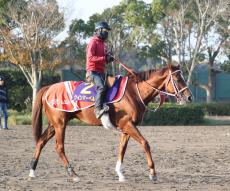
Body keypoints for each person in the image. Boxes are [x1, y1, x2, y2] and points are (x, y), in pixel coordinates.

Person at [86, 21, 115, 119]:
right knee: (102, 87)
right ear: (98, 30)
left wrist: (108, 59)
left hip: (101, 72)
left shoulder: (103, 44)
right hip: (92, 72)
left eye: (107, 31)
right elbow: (90, 58)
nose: (106, 32)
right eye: (105, 30)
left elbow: (103, 59)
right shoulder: (93, 42)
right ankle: (97, 110)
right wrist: (104, 58)